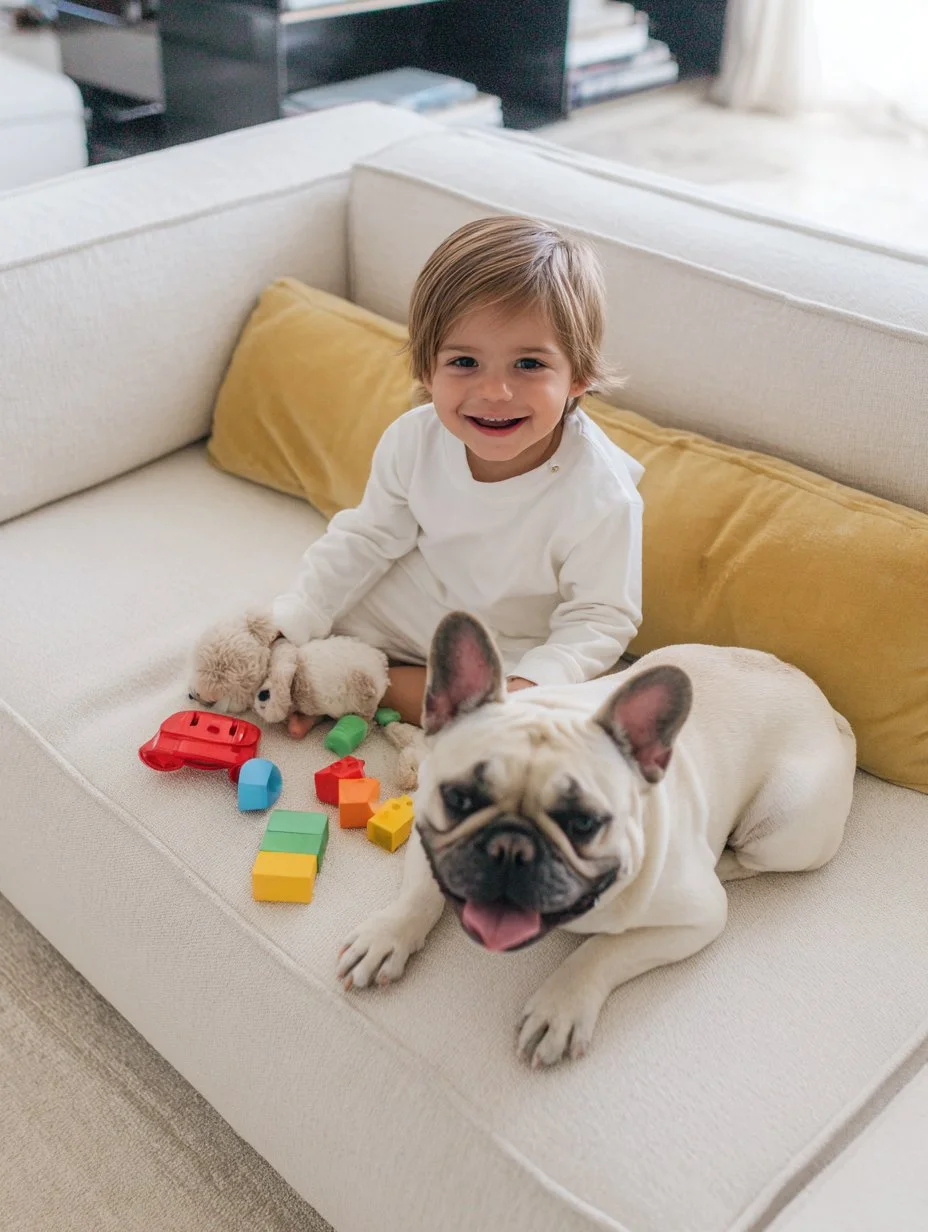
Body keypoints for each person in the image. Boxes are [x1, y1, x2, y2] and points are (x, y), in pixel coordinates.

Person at [274, 215, 644, 737]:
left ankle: (353, 683)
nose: (495, 392)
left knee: (525, 716)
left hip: (512, 642)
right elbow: (369, 536)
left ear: (578, 377)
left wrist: (532, 683)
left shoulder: (602, 495)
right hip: (419, 600)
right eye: (465, 361)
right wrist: (297, 619)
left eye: (529, 365)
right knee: (304, 622)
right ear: (427, 370)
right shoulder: (414, 438)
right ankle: (329, 672)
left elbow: (600, 617)